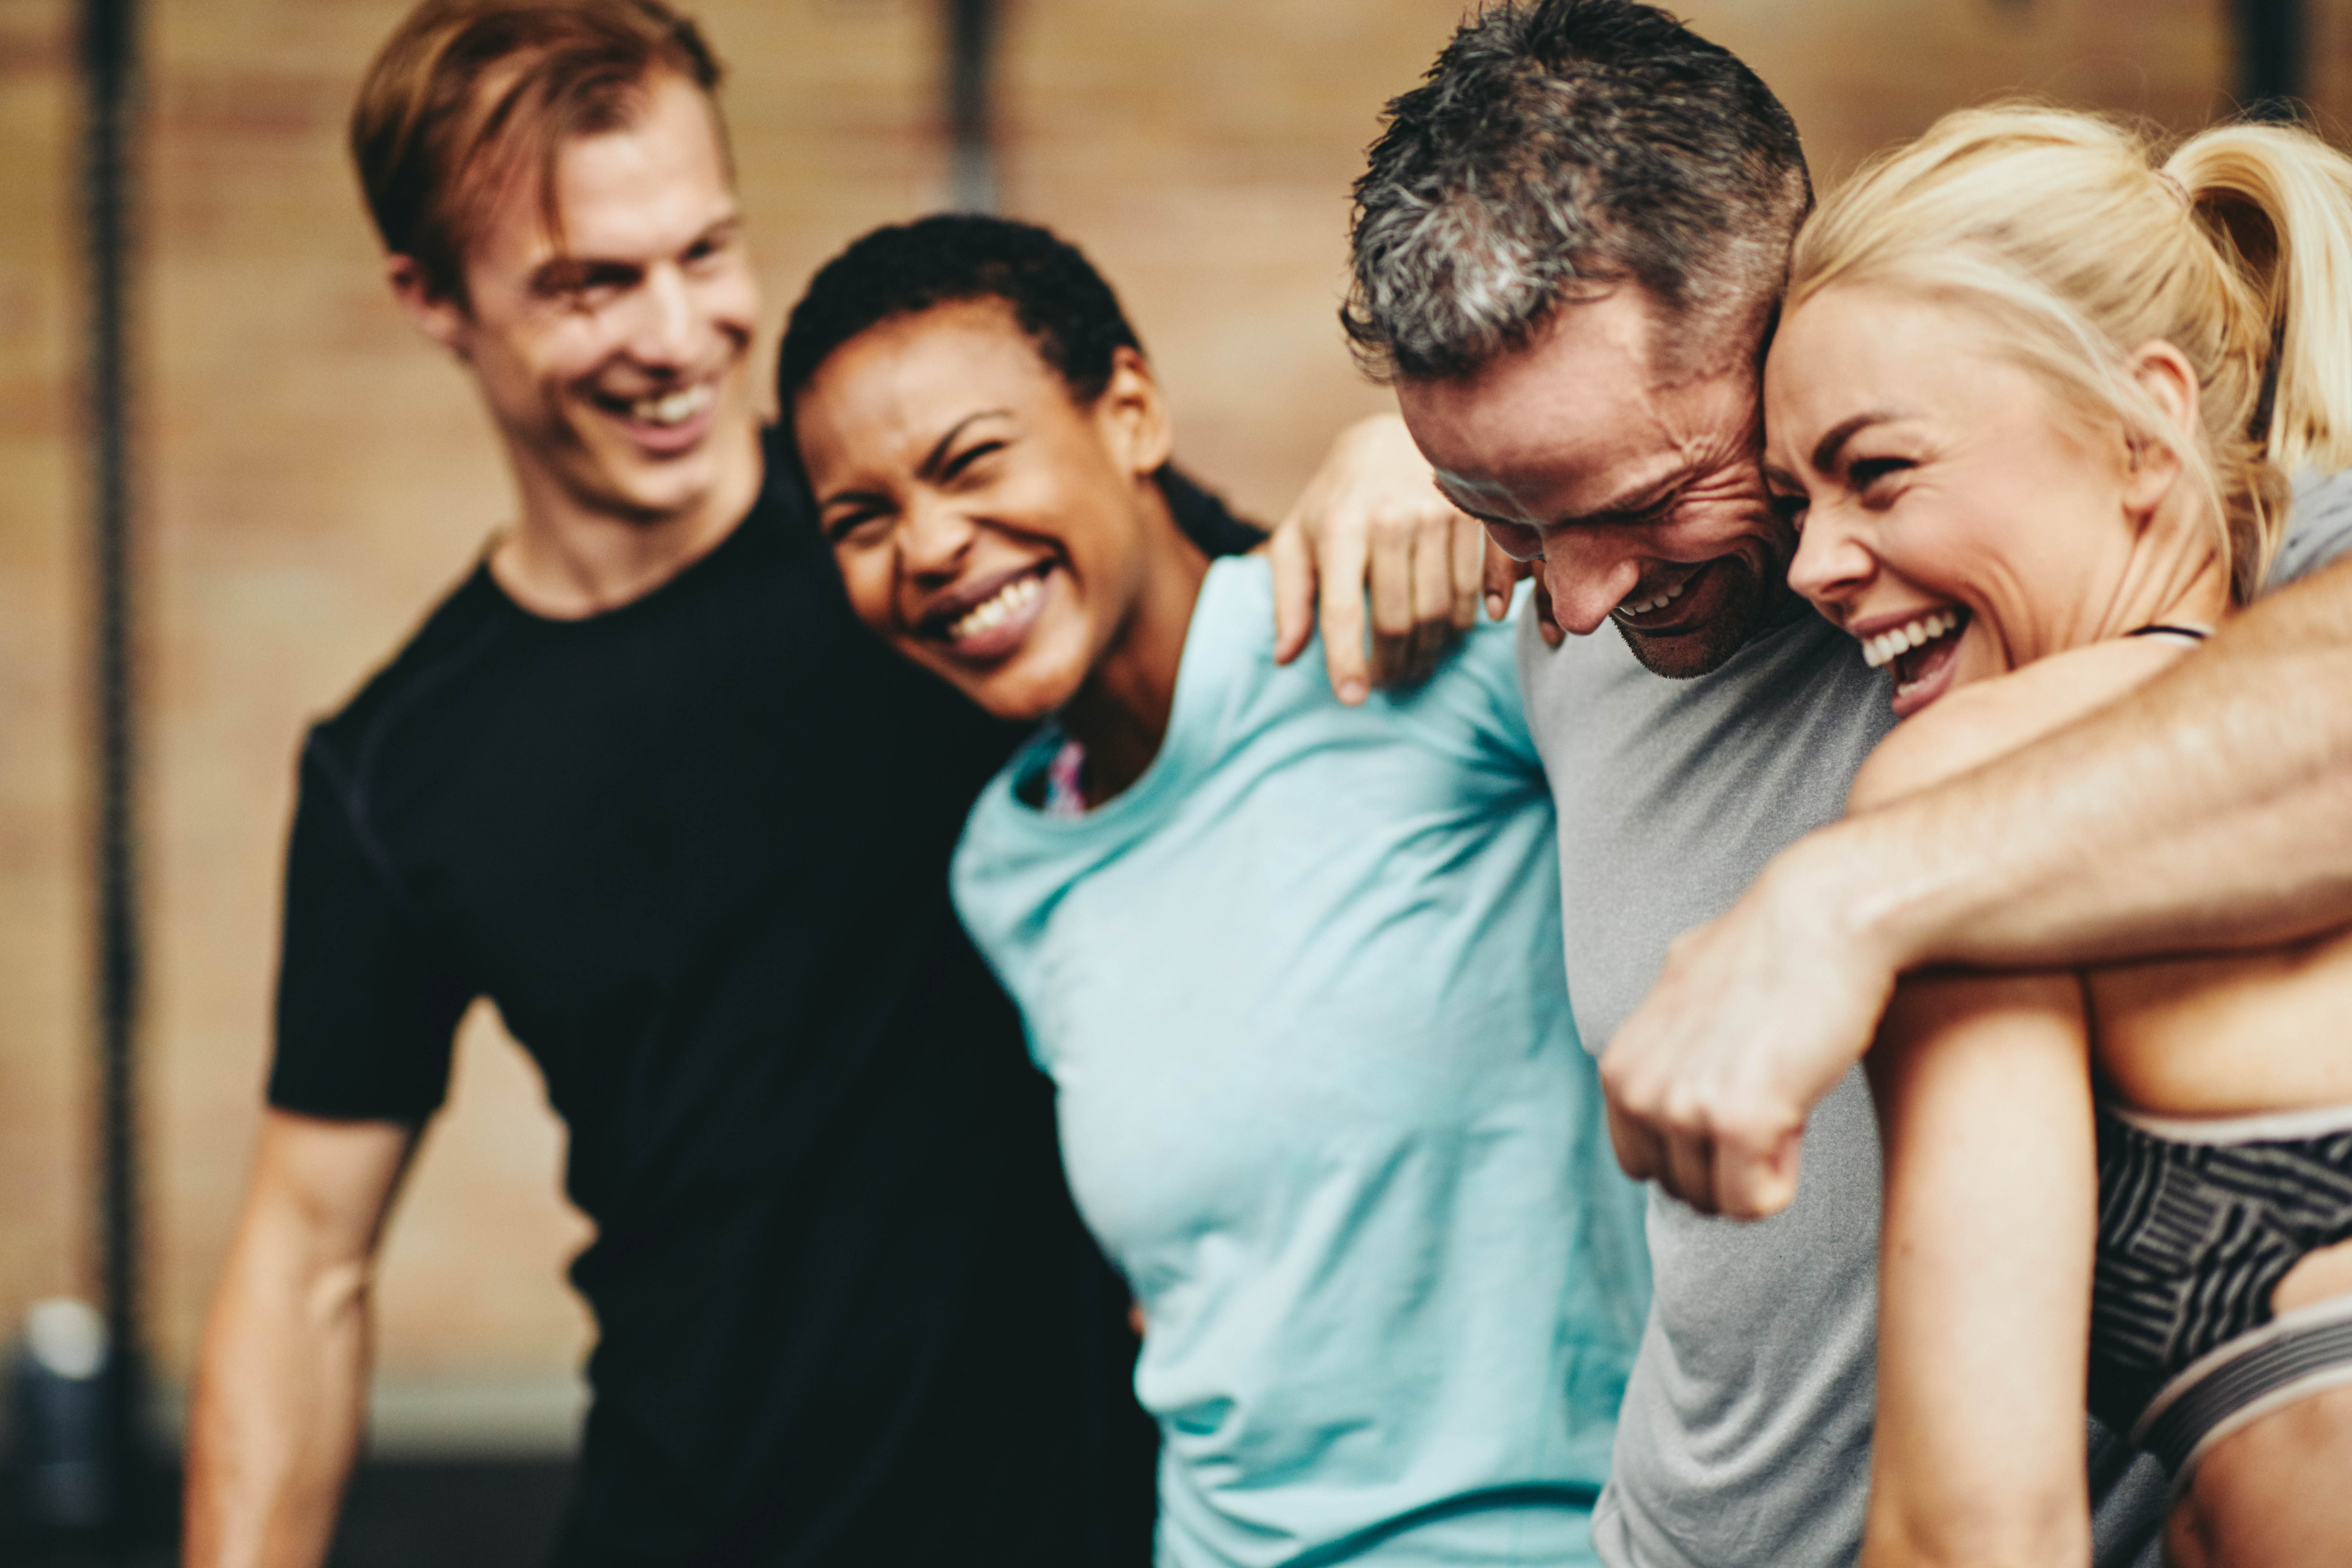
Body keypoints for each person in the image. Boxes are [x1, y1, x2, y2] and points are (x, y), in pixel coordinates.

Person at [178, 3, 1274, 1562]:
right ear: (432, 299)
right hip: (696, 1518)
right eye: (591, 284)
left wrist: (1389, 468)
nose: (678, 332)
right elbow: (306, 1260)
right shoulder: (398, 767)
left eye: (705, 253)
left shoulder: (945, 552)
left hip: (1085, 1502)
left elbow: (1272, 630)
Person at [1271, 3, 2352, 1565]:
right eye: (1502, 511)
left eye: (1646, 499)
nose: (1571, 609)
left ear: (1781, 323)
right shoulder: (1555, 613)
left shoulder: (2097, 551)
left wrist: (1844, 897)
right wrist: (1435, 489)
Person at [783, 213, 1651, 1567]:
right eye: (863, 519)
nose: (931, 544)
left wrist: (1453, 470)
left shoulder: (1396, 622)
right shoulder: (1008, 871)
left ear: (1130, 412)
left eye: (970, 462)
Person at [1762, 105, 2352, 1566]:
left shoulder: (1963, 791)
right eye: (1790, 501)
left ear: (2141, 426)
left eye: (1875, 471)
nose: (1813, 565)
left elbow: (1972, 1527)